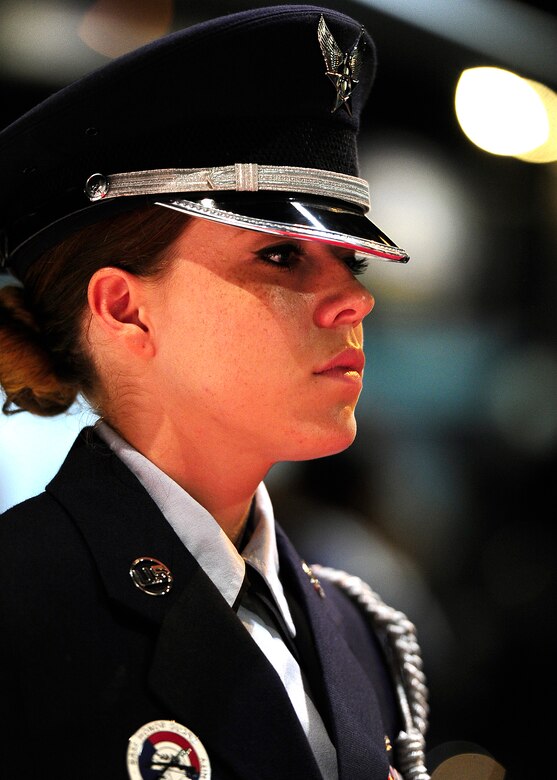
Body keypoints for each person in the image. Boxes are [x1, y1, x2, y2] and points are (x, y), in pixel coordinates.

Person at [0, 6, 429, 780]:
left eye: (351, 264)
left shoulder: (362, 630)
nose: (354, 302)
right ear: (124, 309)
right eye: (281, 256)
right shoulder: (20, 611)